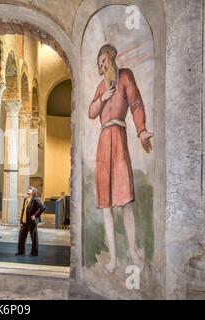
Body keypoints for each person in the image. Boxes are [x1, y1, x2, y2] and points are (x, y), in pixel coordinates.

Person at [88, 44, 153, 273]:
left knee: (125, 202)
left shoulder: (125, 76)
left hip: (119, 138)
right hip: (104, 143)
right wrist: (103, 97)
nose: (102, 65)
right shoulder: (100, 87)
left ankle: (134, 254)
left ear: (111, 57)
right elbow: (91, 112)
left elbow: (135, 103)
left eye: (103, 60)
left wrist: (142, 129)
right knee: (106, 206)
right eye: (99, 64)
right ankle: (114, 260)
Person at [16, 186, 45, 256]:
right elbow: (23, 210)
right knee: (21, 236)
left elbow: (42, 207)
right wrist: (21, 222)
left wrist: (35, 216)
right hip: (24, 221)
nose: (28, 191)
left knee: (34, 237)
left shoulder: (35, 199)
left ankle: (34, 252)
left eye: (30, 190)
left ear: (33, 192)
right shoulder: (26, 199)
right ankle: (21, 251)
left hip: (32, 222)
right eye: (28, 189)